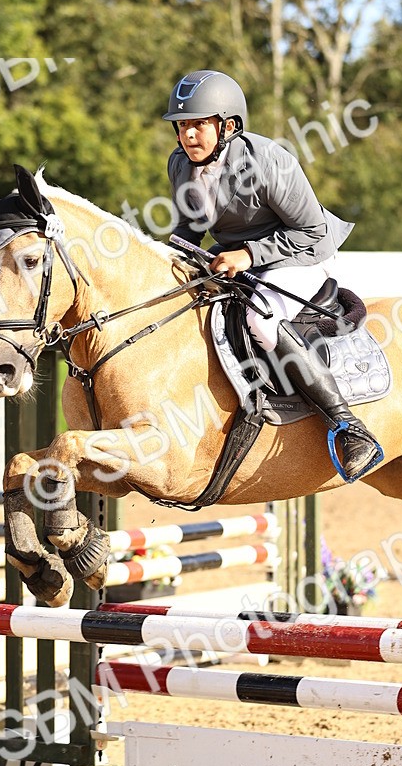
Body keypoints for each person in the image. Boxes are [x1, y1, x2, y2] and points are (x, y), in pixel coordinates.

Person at [164, 68, 383, 483]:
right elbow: (188, 231)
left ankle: (349, 427)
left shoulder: (268, 161)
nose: (187, 136)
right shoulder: (180, 165)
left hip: (299, 255)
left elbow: (312, 233)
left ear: (227, 125)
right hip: (238, 259)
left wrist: (248, 254)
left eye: (197, 125)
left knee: (259, 317)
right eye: (181, 126)